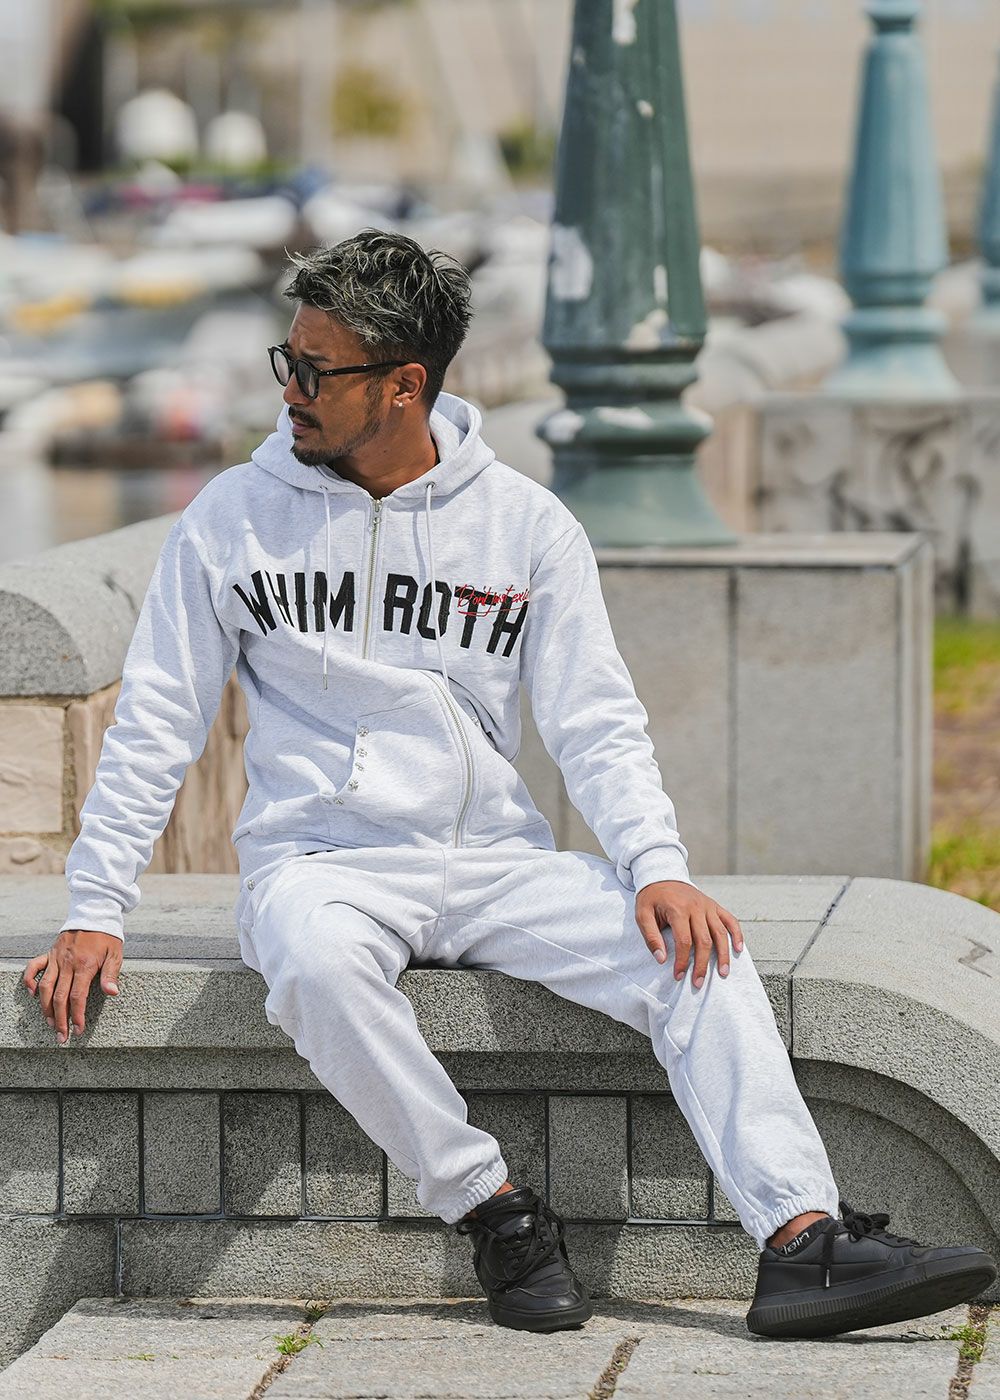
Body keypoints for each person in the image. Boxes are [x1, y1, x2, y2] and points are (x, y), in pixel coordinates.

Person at [24, 228, 995, 1338]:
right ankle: (496, 1211)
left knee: (701, 956)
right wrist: (97, 907)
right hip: (323, 862)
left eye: (316, 370)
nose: (289, 389)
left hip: (492, 859)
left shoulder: (524, 525)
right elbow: (159, 714)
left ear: (404, 385)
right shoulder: (234, 518)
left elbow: (596, 720)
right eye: (287, 360)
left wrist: (656, 866)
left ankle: (801, 1240)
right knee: (311, 963)